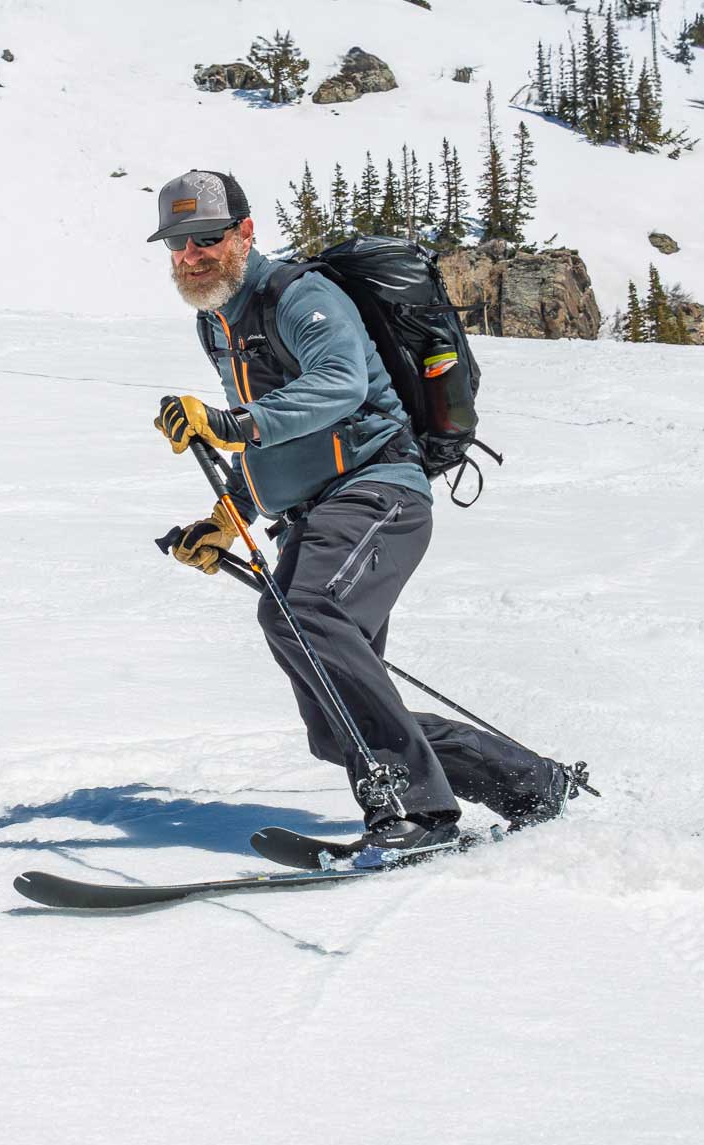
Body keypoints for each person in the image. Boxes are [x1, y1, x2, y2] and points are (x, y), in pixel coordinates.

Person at [147, 170, 578, 851]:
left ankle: (418, 812)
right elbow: (271, 432)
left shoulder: (299, 296)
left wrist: (229, 424)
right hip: (313, 517)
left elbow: (339, 385)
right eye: (178, 244)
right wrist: (227, 519)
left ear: (245, 232)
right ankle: (531, 784)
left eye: (206, 239)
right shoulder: (218, 321)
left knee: (303, 610)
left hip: (378, 493)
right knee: (335, 723)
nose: (191, 256)